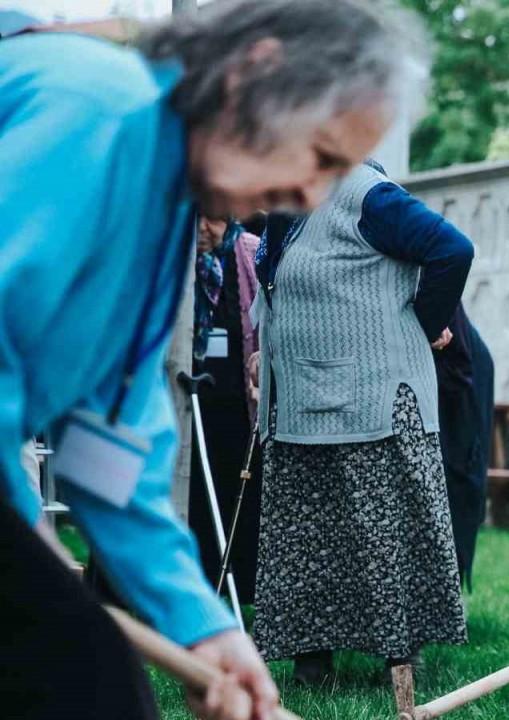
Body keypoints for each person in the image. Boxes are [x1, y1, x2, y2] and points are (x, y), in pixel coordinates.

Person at [0, 1, 423, 718]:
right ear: (254, 74)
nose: (308, 196)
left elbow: (111, 447)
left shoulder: (165, 211)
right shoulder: (97, 112)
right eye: (318, 157)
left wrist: (205, 627)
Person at [250, 160, 473, 683]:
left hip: (374, 402)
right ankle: (311, 663)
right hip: (302, 402)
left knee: (384, 532)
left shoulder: (364, 192)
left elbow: (453, 249)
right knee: (307, 539)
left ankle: (401, 658)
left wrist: (423, 324)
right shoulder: (284, 204)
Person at [188, 216, 264, 603]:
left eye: (212, 220)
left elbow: (267, 316)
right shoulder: (179, 257)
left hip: (239, 405)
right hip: (191, 403)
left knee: (240, 496)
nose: (203, 228)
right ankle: (199, 589)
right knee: (195, 498)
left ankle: (239, 592)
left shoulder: (250, 251)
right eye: (197, 218)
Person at [433, 303, 495, 591]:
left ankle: (449, 591)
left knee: (456, 476)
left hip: (459, 371)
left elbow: (457, 255)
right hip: (440, 368)